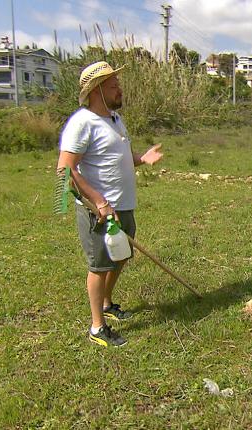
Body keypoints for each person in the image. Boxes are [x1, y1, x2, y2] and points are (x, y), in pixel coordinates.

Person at [57, 61, 164, 347]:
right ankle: (97, 327)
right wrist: (98, 202)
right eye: (114, 85)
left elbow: (122, 158)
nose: (120, 89)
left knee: (121, 257)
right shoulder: (82, 123)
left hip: (124, 206)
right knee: (99, 265)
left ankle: (106, 304)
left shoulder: (116, 120)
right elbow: (66, 170)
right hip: (100, 212)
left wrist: (142, 159)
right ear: (97, 91)